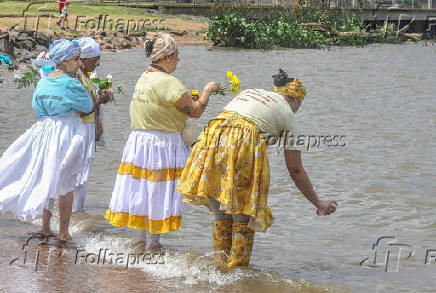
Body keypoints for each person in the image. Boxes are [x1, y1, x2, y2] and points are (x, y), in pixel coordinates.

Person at [176, 68, 338, 268]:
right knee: (243, 217)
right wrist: (318, 202)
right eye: (300, 105)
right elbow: (295, 170)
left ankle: (217, 269)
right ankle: (237, 277)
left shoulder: (249, 92)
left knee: (221, 215)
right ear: (295, 99)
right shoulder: (288, 115)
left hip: (211, 139)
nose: (298, 109)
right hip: (243, 143)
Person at [105, 33, 220, 251]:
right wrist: (207, 92)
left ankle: (141, 242)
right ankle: (153, 247)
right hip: (161, 144)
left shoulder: (145, 76)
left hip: (140, 142)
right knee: (158, 191)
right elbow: (195, 112)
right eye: (176, 54)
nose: (179, 59)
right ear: (166, 57)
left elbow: (163, 105)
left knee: (144, 189)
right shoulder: (170, 83)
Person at [0, 39, 96, 242]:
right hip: (67, 132)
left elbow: (37, 107)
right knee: (66, 183)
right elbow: (88, 107)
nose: (80, 63)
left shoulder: (43, 81)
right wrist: (80, 85)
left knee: (48, 176)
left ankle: (45, 227)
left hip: (44, 131)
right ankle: (63, 231)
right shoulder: (71, 83)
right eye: (76, 59)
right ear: (63, 63)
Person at [73, 36, 111, 212]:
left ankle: (76, 213)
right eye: (95, 59)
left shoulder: (86, 75)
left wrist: (101, 98)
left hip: (87, 128)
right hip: (80, 128)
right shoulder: (78, 77)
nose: (98, 63)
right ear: (84, 59)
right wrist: (100, 100)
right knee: (79, 173)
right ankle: (75, 212)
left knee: (81, 172)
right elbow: (84, 109)